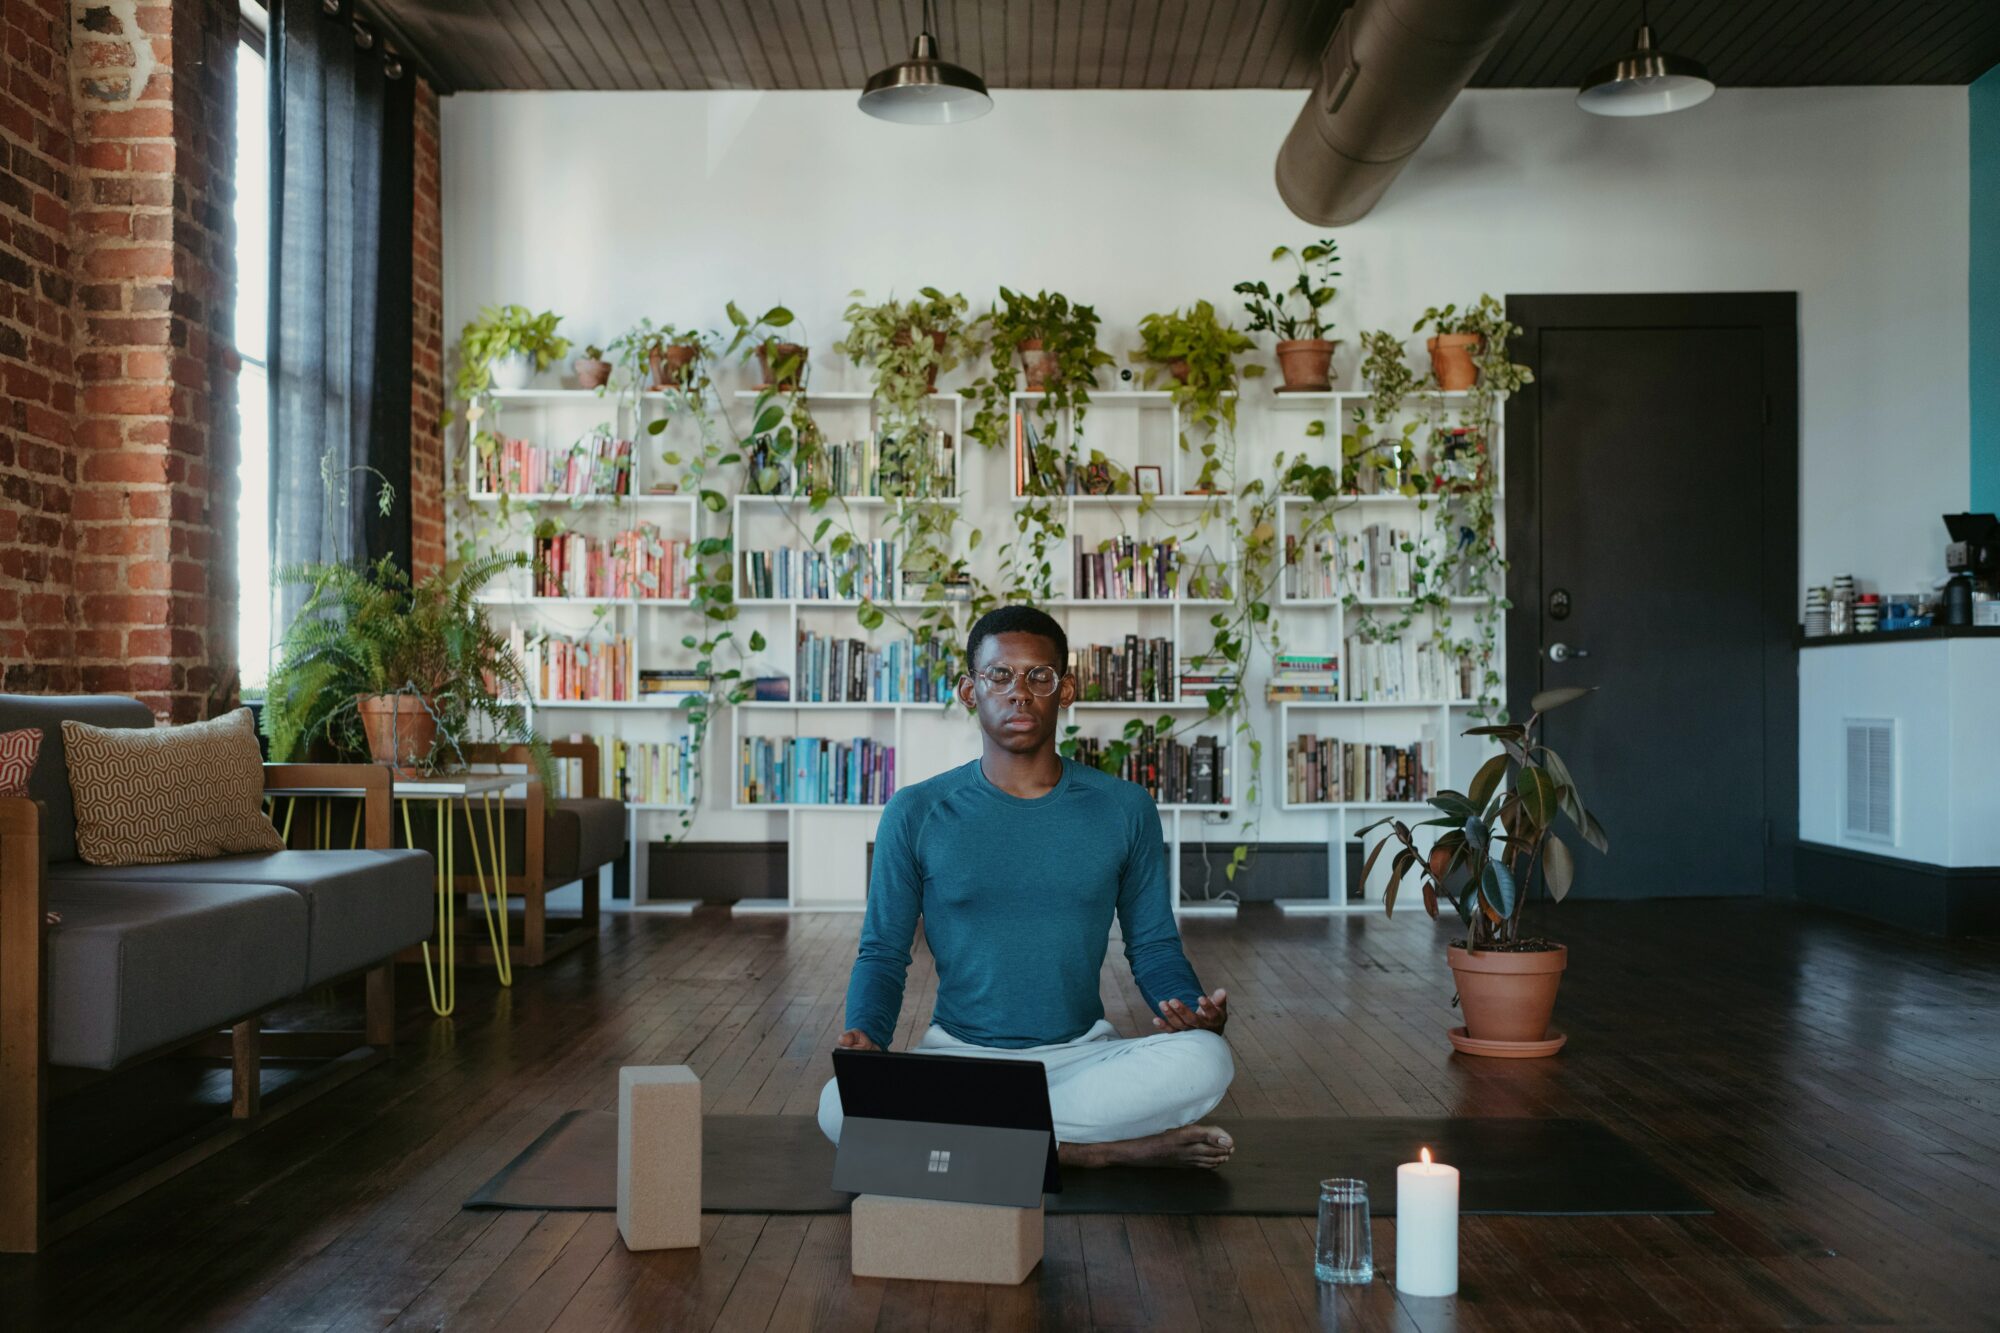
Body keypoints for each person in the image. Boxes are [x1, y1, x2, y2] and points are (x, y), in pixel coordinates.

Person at [816, 606, 1236, 1168]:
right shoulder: (915, 811)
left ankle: (986, 1145)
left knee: (1207, 1060)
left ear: (1064, 691)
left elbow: (1154, 944)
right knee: (838, 1105)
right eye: (999, 676)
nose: (1020, 693)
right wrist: (866, 1035)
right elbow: (884, 953)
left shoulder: (1124, 808)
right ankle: (1088, 1154)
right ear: (970, 690)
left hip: (1082, 1056)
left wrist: (1193, 1014)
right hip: (958, 1058)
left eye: (1039, 677)